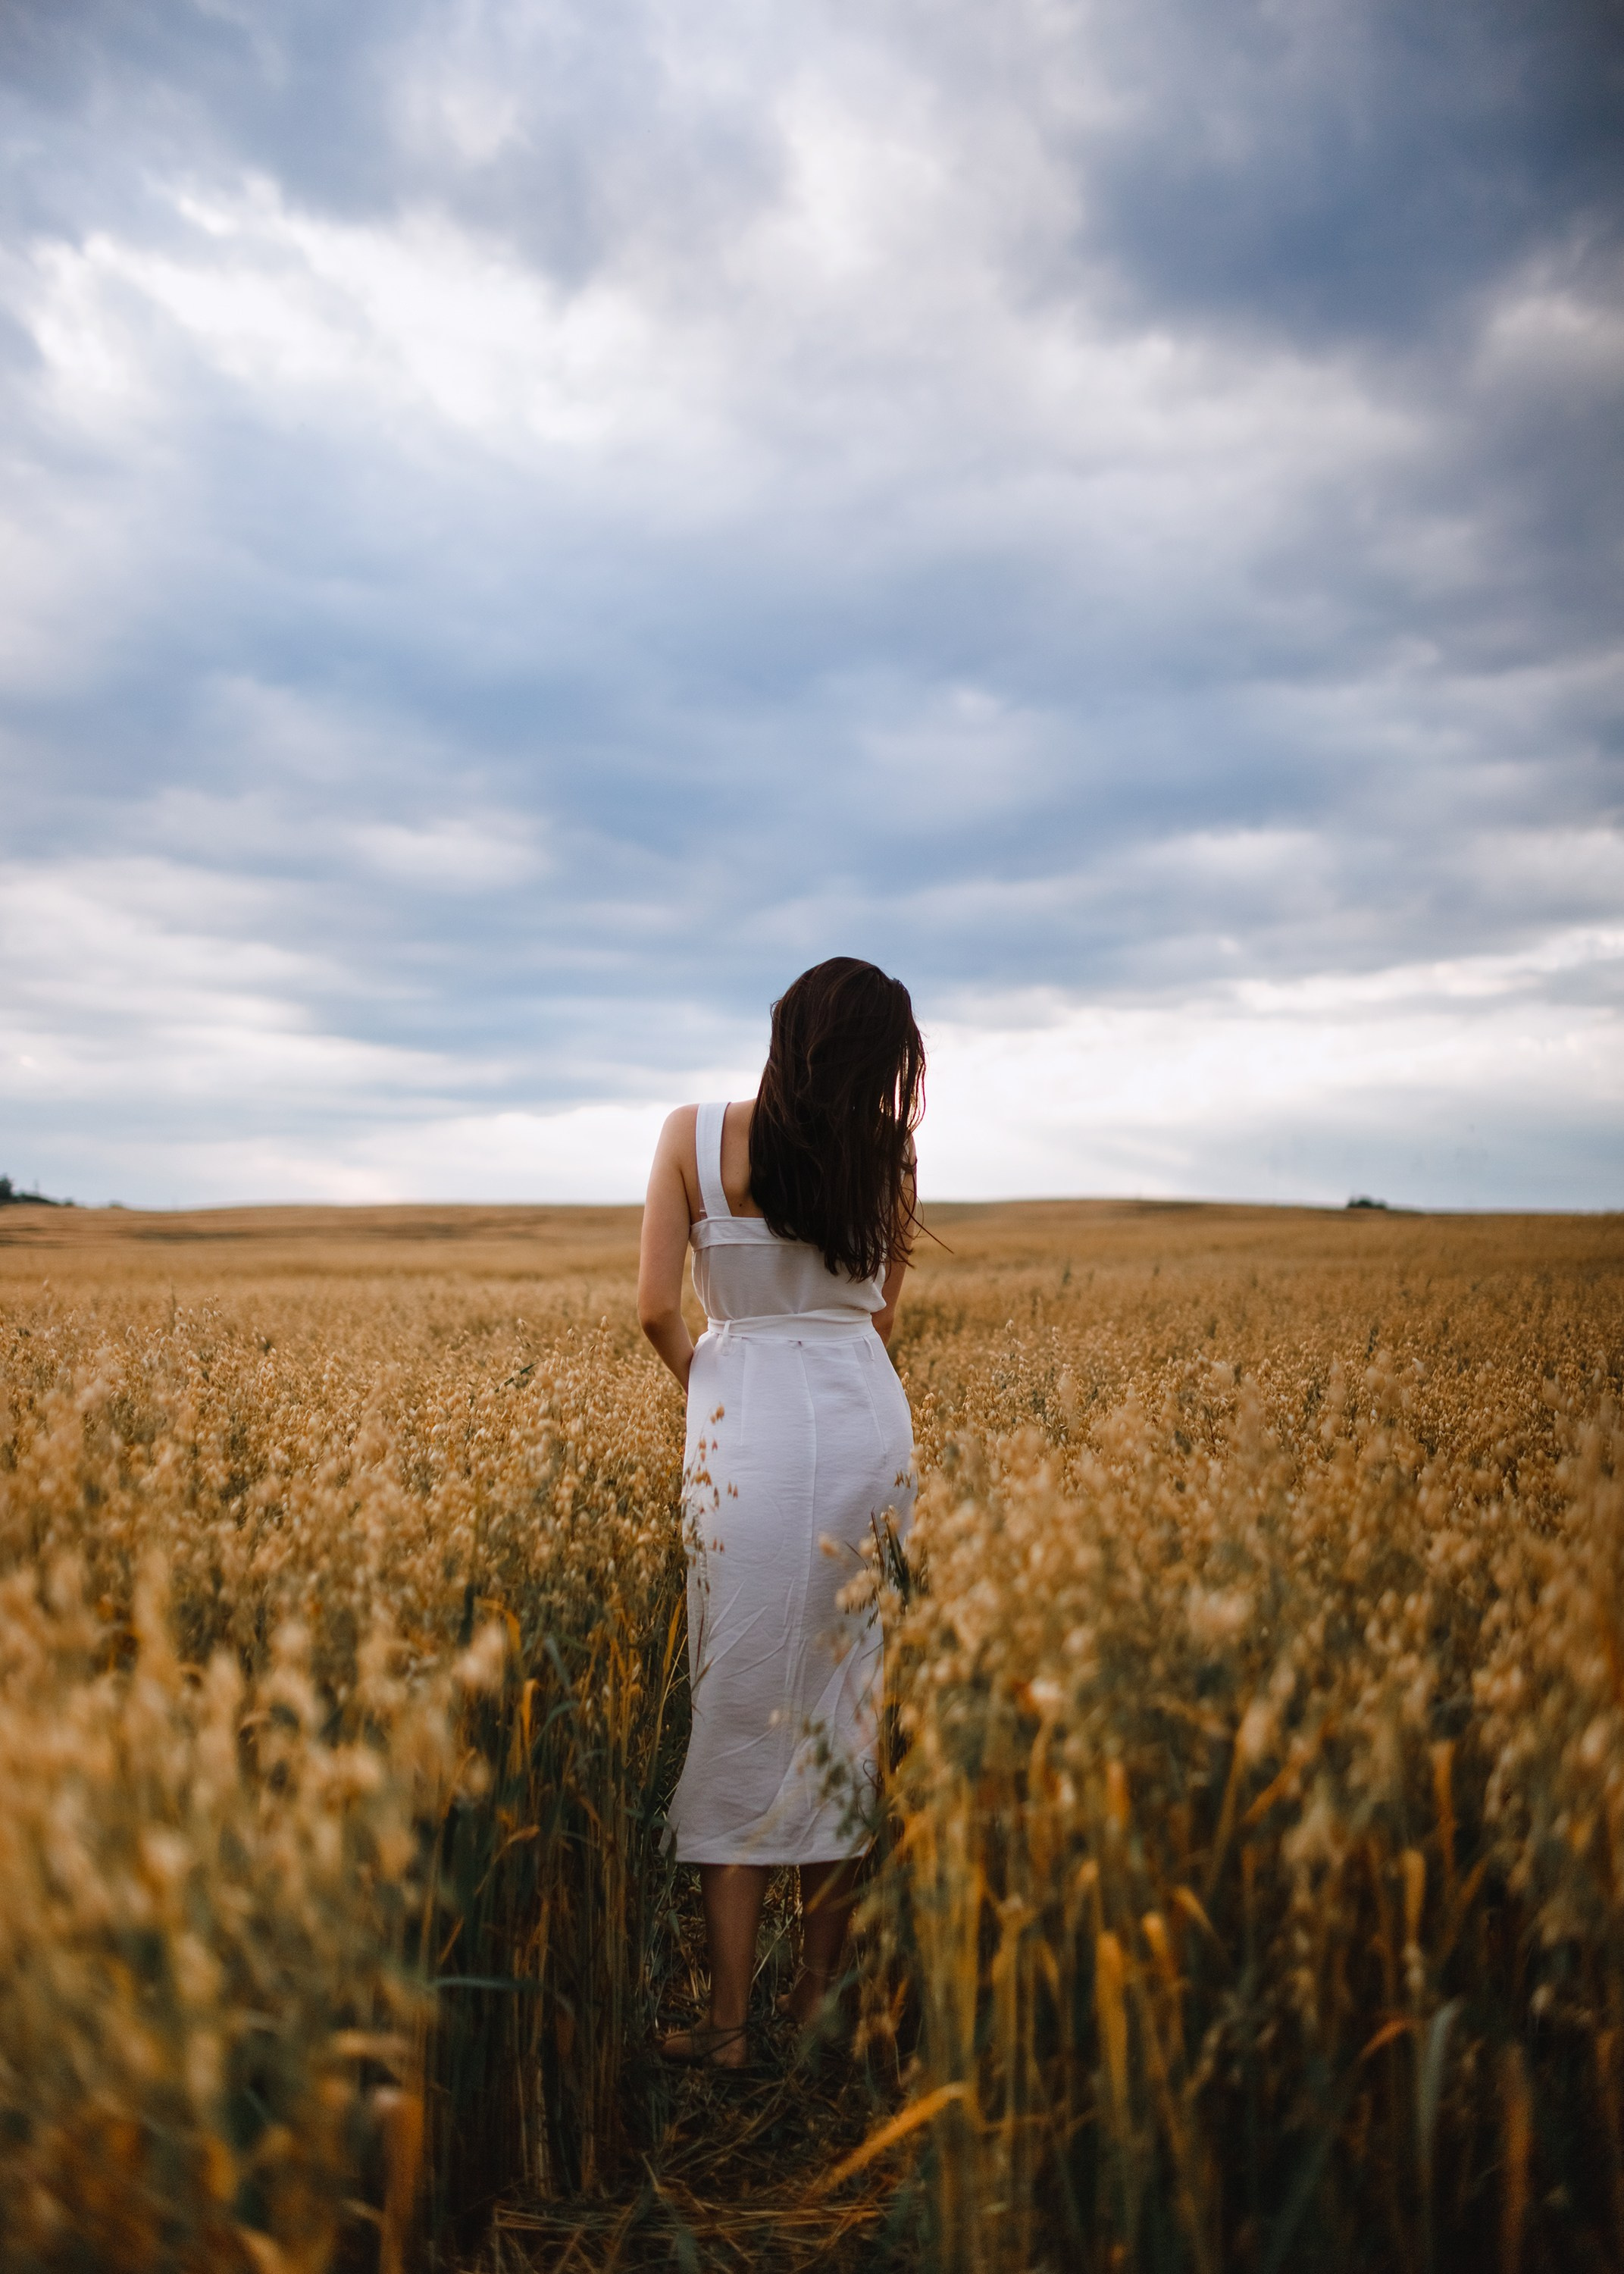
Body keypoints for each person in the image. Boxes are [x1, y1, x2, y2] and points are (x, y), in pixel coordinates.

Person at [637, 957, 924, 2070]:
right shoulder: (888, 1155)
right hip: (863, 1427)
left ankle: (723, 2025)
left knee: (737, 1698)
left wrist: (719, 1396)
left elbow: (655, 1310)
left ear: (786, 1031)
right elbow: (879, 1319)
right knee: (845, 1709)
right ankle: (814, 2006)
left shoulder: (690, 1134)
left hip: (739, 1437)